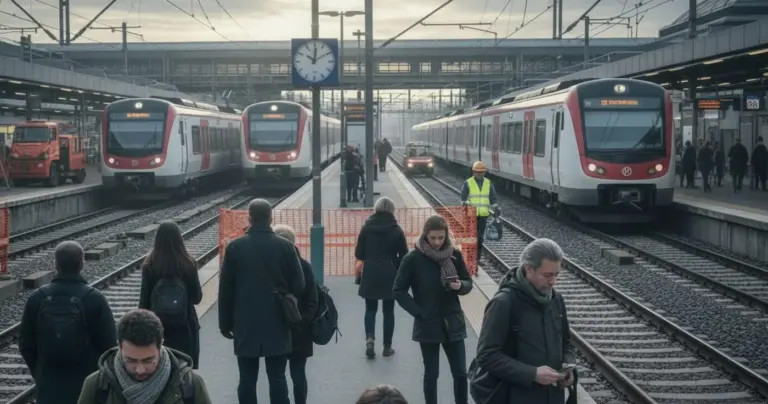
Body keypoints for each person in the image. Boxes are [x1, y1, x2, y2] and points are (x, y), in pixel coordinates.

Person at [218, 199, 305, 404]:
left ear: (249, 218)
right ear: (270, 218)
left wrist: (225, 324)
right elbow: (299, 285)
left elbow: (226, 290)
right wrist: (284, 296)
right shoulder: (286, 247)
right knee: (277, 376)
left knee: (247, 377)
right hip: (277, 320)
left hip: (245, 321)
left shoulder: (235, 248)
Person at [474, 238, 576, 403]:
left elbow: (566, 342)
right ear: (529, 269)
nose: (553, 281)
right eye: (547, 275)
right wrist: (532, 374)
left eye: (556, 274)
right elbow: (486, 356)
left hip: (553, 397)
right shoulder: (504, 303)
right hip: (516, 397)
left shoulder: (556, 300)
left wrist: (568, 365)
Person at [19, 241, 117, 404]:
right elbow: (109, 346)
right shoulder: (94, 299)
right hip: (86, 383)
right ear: (82, 263)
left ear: (56, 264)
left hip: (48, 381)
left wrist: (39, 371)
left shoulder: (37, 298)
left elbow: (25, 343)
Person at [393, 215, 473, 404]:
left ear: (446, 236)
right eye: (433, 238)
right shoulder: (412, 259)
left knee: (460, 373)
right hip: (428, 323)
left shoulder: (455, 255)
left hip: (453, 321)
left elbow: (468, 282)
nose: (437, 242)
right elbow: (398, 290)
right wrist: (419, 313)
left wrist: (460, 286)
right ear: (425, 236)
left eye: (441, 238)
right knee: (431, 374)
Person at [76, 309, 212, 403]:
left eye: (148, 360)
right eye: (131, 361)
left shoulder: (189, 385)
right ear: (120, 347)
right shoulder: (96, 386)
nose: (140, 370)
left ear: (160, 346)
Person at [139, 220, 203, 369]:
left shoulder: (150, 265)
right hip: (185, 327)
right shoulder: (189, 264)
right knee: (183, 372)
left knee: (160, 371)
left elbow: (143, 303)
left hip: (158, 329)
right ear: (179, 239)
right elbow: (197, 298)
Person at [355, 196, 409, 358]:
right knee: (389, 311)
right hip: (390, 272)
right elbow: (404, 255)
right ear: (392, 210)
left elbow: (359, 253)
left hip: (370, 272)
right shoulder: (396, 230)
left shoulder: (366, 228)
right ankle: (387, 347)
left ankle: (370, 339)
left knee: (370, 309)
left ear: (376, 209)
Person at [273, 224, 319, 404]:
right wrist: (304, 320)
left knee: (277, 374)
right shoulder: (304, 266)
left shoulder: (272, 269)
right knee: (298, 372)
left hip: (276, 327)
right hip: (300, 328)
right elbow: (313, 299)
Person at [460, 161, 499, 263]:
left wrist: (496, 207)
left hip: (483, 215)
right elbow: (463, 197)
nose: (480, 174)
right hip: (471, 214)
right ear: (473, 171)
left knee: (480, 238)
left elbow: (493, 198)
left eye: (482, 172)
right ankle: (469, 257)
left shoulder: (488, 183)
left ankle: (476, 259)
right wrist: (466, 203)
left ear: (485, 172)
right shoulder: (468, 182)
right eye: (477, 172)